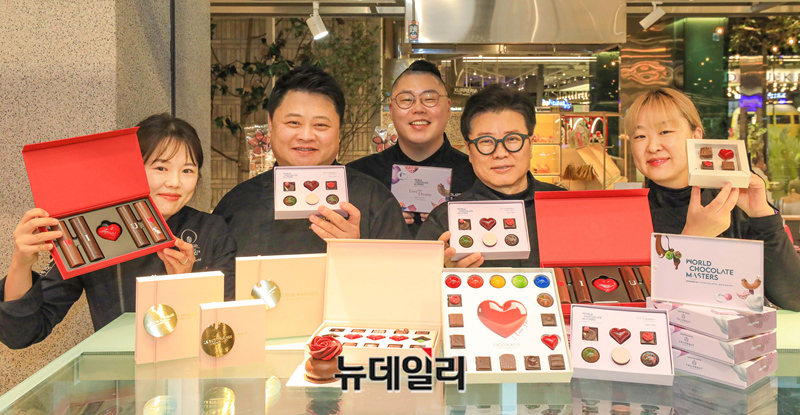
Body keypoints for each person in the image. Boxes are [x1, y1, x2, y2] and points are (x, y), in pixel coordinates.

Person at [0, 114, 237, 349]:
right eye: (161, 167)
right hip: (119, 369)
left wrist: (184, 282)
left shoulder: (212, 230)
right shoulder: (92, 232)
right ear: (131, 169)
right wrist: (21, 263)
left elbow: (228, 330)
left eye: (187, 170)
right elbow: (21, 334)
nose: (175, 182)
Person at [626, 87, 800, 311]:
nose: (652, 146)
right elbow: (636, 307)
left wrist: (762, 214)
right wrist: (692, 240)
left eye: (665, 131)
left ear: (696, 136)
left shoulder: (731, 199)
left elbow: (794, 297)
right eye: (640, 136)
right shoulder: (626, 213)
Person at [213, 66, 409, 256]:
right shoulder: (237, 204)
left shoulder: (375, 201)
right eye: (293, 123)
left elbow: (403, 275)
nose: (306, 136)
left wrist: (354, 255)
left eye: (320, 125)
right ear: (271, 125)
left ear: (339, 131)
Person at [417, 84, 565, 267]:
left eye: (512, 139)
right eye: (486, 141)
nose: (500, 153)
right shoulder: (443, 221)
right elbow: (417, 281)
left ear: (531, 144)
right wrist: (446, 275)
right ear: (469, 150)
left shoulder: (565, 207)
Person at [348, 60, 477, 236]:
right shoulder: (359, 176)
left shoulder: (476, 175)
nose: (418, 108)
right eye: (407, 100)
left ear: (448, 108)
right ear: (391, 110)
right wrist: (379, 222)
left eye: (429, 99)